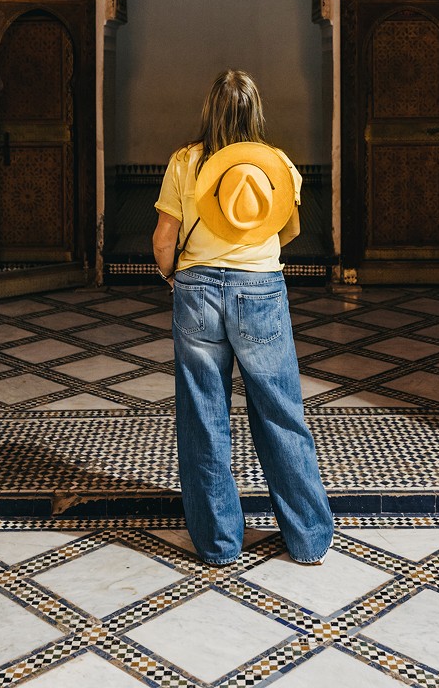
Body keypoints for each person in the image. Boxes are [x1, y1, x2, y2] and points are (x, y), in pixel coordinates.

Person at [152, 69, 333, 567]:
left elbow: (164, 241)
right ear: (256, 112)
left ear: (209, 110)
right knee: (280, 413)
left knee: (203, 417)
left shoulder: (184, 162)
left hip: (197, 291)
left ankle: (217, 543)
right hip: (260, 291)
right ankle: (309, 538)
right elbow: (287, 231)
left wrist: (174, 277)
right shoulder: (278, 165)